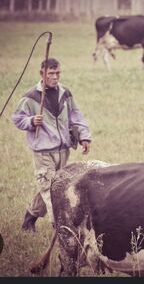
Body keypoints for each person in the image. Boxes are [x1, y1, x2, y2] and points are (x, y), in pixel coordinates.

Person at [12, 58, 92, 232]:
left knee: (54, 186)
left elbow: (76, 116)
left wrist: (84, 137)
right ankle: (63, 230)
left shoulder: (65, 94)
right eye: (51, 74)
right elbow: (17, 118)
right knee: (52, 190)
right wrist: (31, 121)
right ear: (42, 74)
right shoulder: (31, 96)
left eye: (57, 73)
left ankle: (29, 218)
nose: (55, 77)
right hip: (43, 152)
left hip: (63, 150)